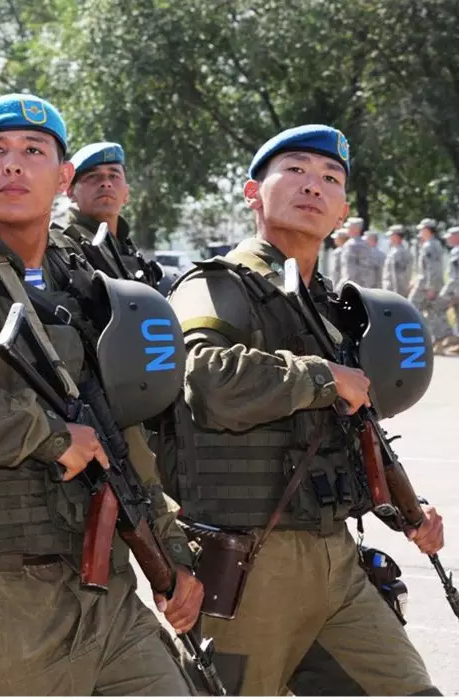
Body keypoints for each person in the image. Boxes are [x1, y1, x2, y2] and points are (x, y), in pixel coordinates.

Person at [0, 94, 199, 696]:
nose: (14, 163)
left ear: (63, 176)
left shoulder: (84, 282)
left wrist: (170, 550)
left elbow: (122, 431)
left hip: (107, 594)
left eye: (34, 151)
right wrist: (50, 436)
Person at [163, 124, 443, 695]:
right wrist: (321, 376)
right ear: (253, 193)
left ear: (342, 211)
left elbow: (354, 430)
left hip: (336, 561)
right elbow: (204, 378)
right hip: (249, 566)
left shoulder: (333, 310)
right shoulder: (219, 286)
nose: (313, 185)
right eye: (294, 170)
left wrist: (409, 511)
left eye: (330, 178)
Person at [60, 141, 160, 287]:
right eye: (93, 176)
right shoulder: (60, 246)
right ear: (70, 191)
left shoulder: (127, 247)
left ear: (126, 193)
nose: (106, 183)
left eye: (114, 176)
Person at [409, 218, 449, 343]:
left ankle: (416, 337)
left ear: (427, 230)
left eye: (421, 229)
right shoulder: (433, 244)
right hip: (427, 284)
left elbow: (433, 268)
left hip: (425, 286)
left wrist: (432, 287)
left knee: (410, 308)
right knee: (433, 311)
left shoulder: (430, 246)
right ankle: (439, 338)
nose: (420, 232)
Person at [340, 216, 377, 287]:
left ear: (355, 229)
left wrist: (342, 286)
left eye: (349, 227)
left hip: (352, 285)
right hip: (364, 285)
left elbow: (350, 270)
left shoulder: (351, 245)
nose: (347, 229)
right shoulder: (366, 244)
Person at [381, 224, 412, 296]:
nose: (390, 238)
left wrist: (396, 293)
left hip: (393, 291)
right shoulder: (395, 250)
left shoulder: (398, 253)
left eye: (391, 236)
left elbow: (397, 276)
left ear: (396, 236)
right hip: (391, 289)